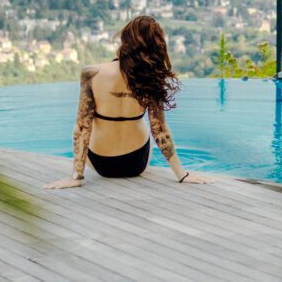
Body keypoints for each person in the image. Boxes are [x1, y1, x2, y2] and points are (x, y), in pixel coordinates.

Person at [45, 15, 212, 188]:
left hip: (101, 163)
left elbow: (81, 127)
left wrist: (75, 177)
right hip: (136, 162)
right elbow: (159, 130)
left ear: (125, 38)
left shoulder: (91, 73)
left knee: (88, 124)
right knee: (147, 126)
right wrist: (181, 174)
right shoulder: (151, 78)